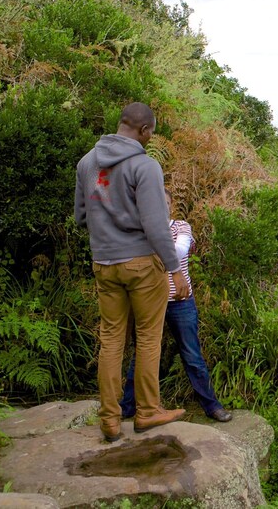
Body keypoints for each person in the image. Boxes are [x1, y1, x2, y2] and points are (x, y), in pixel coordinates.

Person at [75, 102, 186, 442]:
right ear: (144, 131)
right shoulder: (145, 165)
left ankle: (109, 420)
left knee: (111, 339)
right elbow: (155, 224)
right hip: (141, 263)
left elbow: (81, 216)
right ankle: (147, 411)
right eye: (151, 133)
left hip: (104, 264)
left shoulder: (86, 163)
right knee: (148, 337)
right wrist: (174, 270)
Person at [119, 189, 233, 423]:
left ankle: (212, 406)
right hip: (149, 303)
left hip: (181, 302)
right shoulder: (141, 230)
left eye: (166, 202)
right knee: (142, 354)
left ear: (171, 206)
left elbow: (180, 249)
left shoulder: (181, 227)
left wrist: (148, 252)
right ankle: (127, 406)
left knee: (192, 355)